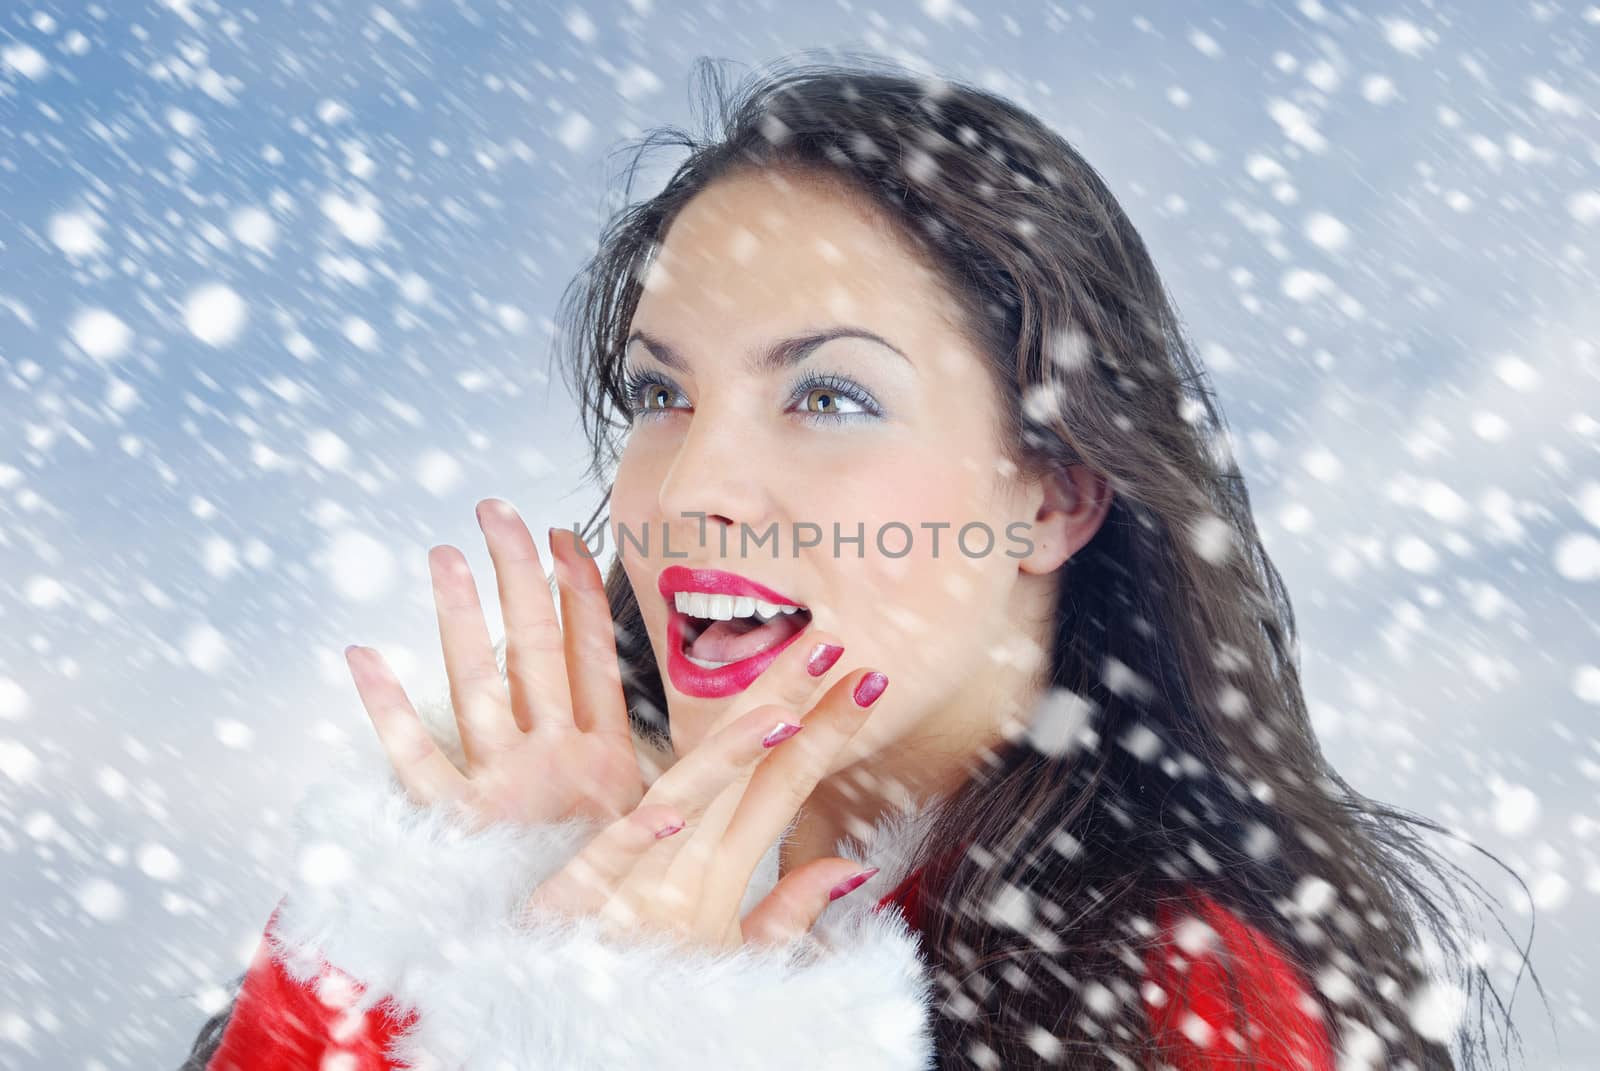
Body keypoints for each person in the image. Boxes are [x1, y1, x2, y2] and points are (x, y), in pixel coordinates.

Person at [182, 53, 1514, 1070]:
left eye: (828, 397)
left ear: (1054, 492)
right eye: (661, 395)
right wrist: (415, 948)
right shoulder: (516, 846)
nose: (694, 488)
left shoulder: (1194, 1002)